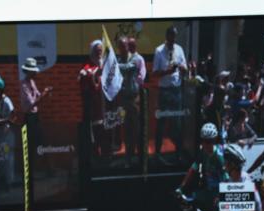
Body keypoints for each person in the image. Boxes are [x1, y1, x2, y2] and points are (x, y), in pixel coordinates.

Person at [175, 122, 225, 211]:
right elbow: (193, 169)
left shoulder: (218, 157)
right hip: (208, 190)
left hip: (217, 194)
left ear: (214, 140)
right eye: (204, 141)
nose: (206, 144)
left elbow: (226, 180)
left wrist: (220, 196)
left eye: (209, 141)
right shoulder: (203, 152)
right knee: (191, 198)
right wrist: (181, 187)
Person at [152, 26, 187, 163]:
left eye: (175, 36)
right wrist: (167, 71)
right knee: (161, 122)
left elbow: (185, 68)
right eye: (172, 36)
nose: (174, 39)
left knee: (177, 123)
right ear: (167, 36)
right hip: (164, 91)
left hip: (176, 90)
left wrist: (183, 67)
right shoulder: (159, 50)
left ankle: (178, 153)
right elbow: (154, 73)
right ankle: (157, 153)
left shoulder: (179, 49)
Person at [117, 36, 146, 167]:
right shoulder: (118, 59)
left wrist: (114, 65)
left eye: (124, 46)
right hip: (123, 99)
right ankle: (128, 157)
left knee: (137, 128)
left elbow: (128, 68)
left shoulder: (135, 58)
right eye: (120, 46)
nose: (123, 49)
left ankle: (140, 157)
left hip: (134, 99)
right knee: (127, 129)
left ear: (128, 46)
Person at [79, 40, 110, 160]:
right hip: (94, 103)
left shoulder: (104, 63)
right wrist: (88, 74)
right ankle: (95, 153)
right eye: (97, 51)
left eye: (100, 51)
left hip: (105, 101)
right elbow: (84, 74)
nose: (99, 53)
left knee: (106, 128)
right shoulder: (88, 65)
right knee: (95, 129)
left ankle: (106, 153)